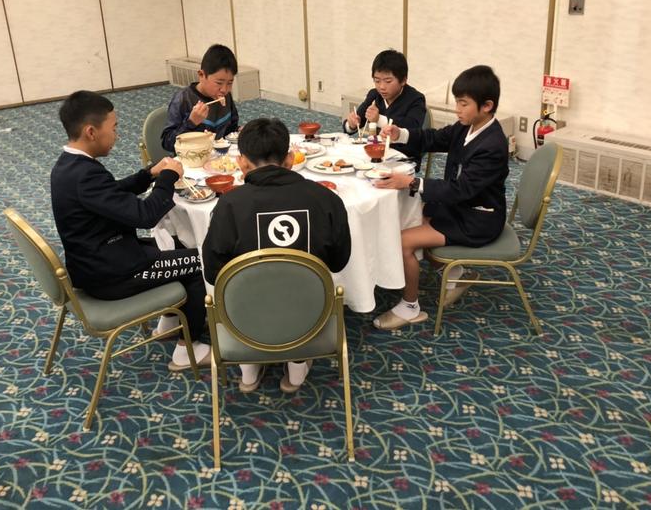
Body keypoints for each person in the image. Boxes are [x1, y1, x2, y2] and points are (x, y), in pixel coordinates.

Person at [50, 90, 210, 371]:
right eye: (113, 128)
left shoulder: (69, 167)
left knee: (177, 246)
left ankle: (171, 322)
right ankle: (188, 350)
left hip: (100, 260)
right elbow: (145, 216)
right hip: (113, 274)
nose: (117, 135)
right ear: (91, 132)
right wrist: (169, 177)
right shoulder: (86, 175)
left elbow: (111, 194)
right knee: (201, 262)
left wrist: (149, 174)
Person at [202, 118, 352, 393]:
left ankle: (248, 370)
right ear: (290, 159)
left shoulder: (229, 205)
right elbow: (339, 260)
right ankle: (296, 371)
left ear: (242, 163)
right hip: (310, 314)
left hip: (244, 316)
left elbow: (213, 272)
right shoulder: (327, 199)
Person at [371, 65, 508, 330]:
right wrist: (401, 133)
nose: (457, 109)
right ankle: (456, 275)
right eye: (457, 102)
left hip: (477, 219)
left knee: (402, 241)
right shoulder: (468, 126)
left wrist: (411, 182)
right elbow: (434, 138)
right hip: (460, 207)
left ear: (487, 106)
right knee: (413, 216)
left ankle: (410, 307)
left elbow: (461, 190)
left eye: (463, 104)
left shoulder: (492, 145)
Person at [342, 49, 427, 166]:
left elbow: (412, 126)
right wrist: (351, 124)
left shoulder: (416, 99)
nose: (381, 87)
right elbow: (356, 121)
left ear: (403, 80)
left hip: (404, 158)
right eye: (377, 81)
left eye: (388, 81)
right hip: (377, 155)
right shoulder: (374, 95)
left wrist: (379, 119)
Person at [161, 44, 239, 153]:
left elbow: (231, 129)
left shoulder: (226, 96)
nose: (224, 89)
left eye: (230, 83)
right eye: (219, 83)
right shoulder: (183, 99)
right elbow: (167, 143)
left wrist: (240, 131)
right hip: (191, 157)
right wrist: (191, 122)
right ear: (201, 75)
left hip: (218, 157)